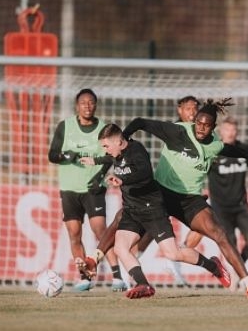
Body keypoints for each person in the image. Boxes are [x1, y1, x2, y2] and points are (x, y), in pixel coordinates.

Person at [82, 98, 248, 299]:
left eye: (206, 125)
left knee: (219, 234)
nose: (201, 128)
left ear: (213, 127)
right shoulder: (178, 132)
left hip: (189, 200)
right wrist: (123, 141)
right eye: (198, 123)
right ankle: (102, 262)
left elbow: (227, 149)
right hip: (159, 195)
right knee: (123, 217)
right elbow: (140, 122)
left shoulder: (214, 143)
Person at [84, 123, 231, 299]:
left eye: (106, 146)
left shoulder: (137, 150)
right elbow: (110, 159)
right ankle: (143, 284)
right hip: (131, 210)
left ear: (118, 141)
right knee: (120, 248)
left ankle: (213, 266)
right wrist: (96, 161)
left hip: (152, 209)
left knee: (173, 253)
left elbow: (144, 174)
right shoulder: (116, 153)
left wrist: (123, 180)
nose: (105, 150)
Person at [47, 88, 125, 292]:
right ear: (77, 105)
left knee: (101, 230)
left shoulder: (103, 128)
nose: (87, 106)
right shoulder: (65, 126)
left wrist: (99, 177)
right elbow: (52, 154)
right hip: (69, 189)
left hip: (94, 189)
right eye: (83, 103)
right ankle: (85, 277)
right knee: (74, 233)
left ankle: (117, 276)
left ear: (96, 105)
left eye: (91, 102)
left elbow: (111, 156)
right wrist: (67, 156)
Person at [185, 116, 248, 265]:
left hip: (241, 206)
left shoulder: (243, 149)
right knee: (230, 244)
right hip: (220, 209)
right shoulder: (213, 151)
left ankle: (239, 268)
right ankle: (236, 274)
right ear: (221, 131)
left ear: (237, 131)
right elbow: (197, 172)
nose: (231, 133)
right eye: (227, 129)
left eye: (233, 129)